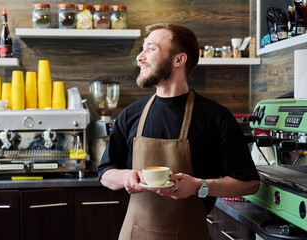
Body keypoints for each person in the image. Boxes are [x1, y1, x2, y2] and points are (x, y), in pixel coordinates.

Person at [98, 23, 260, 240]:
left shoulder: (215, 117)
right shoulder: (130, 115)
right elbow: (105, 174)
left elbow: (250, 183)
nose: (140, 57)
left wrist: (198, 186)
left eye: (151, 49)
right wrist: (126, 176)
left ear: (179, 60)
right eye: (142, 49)